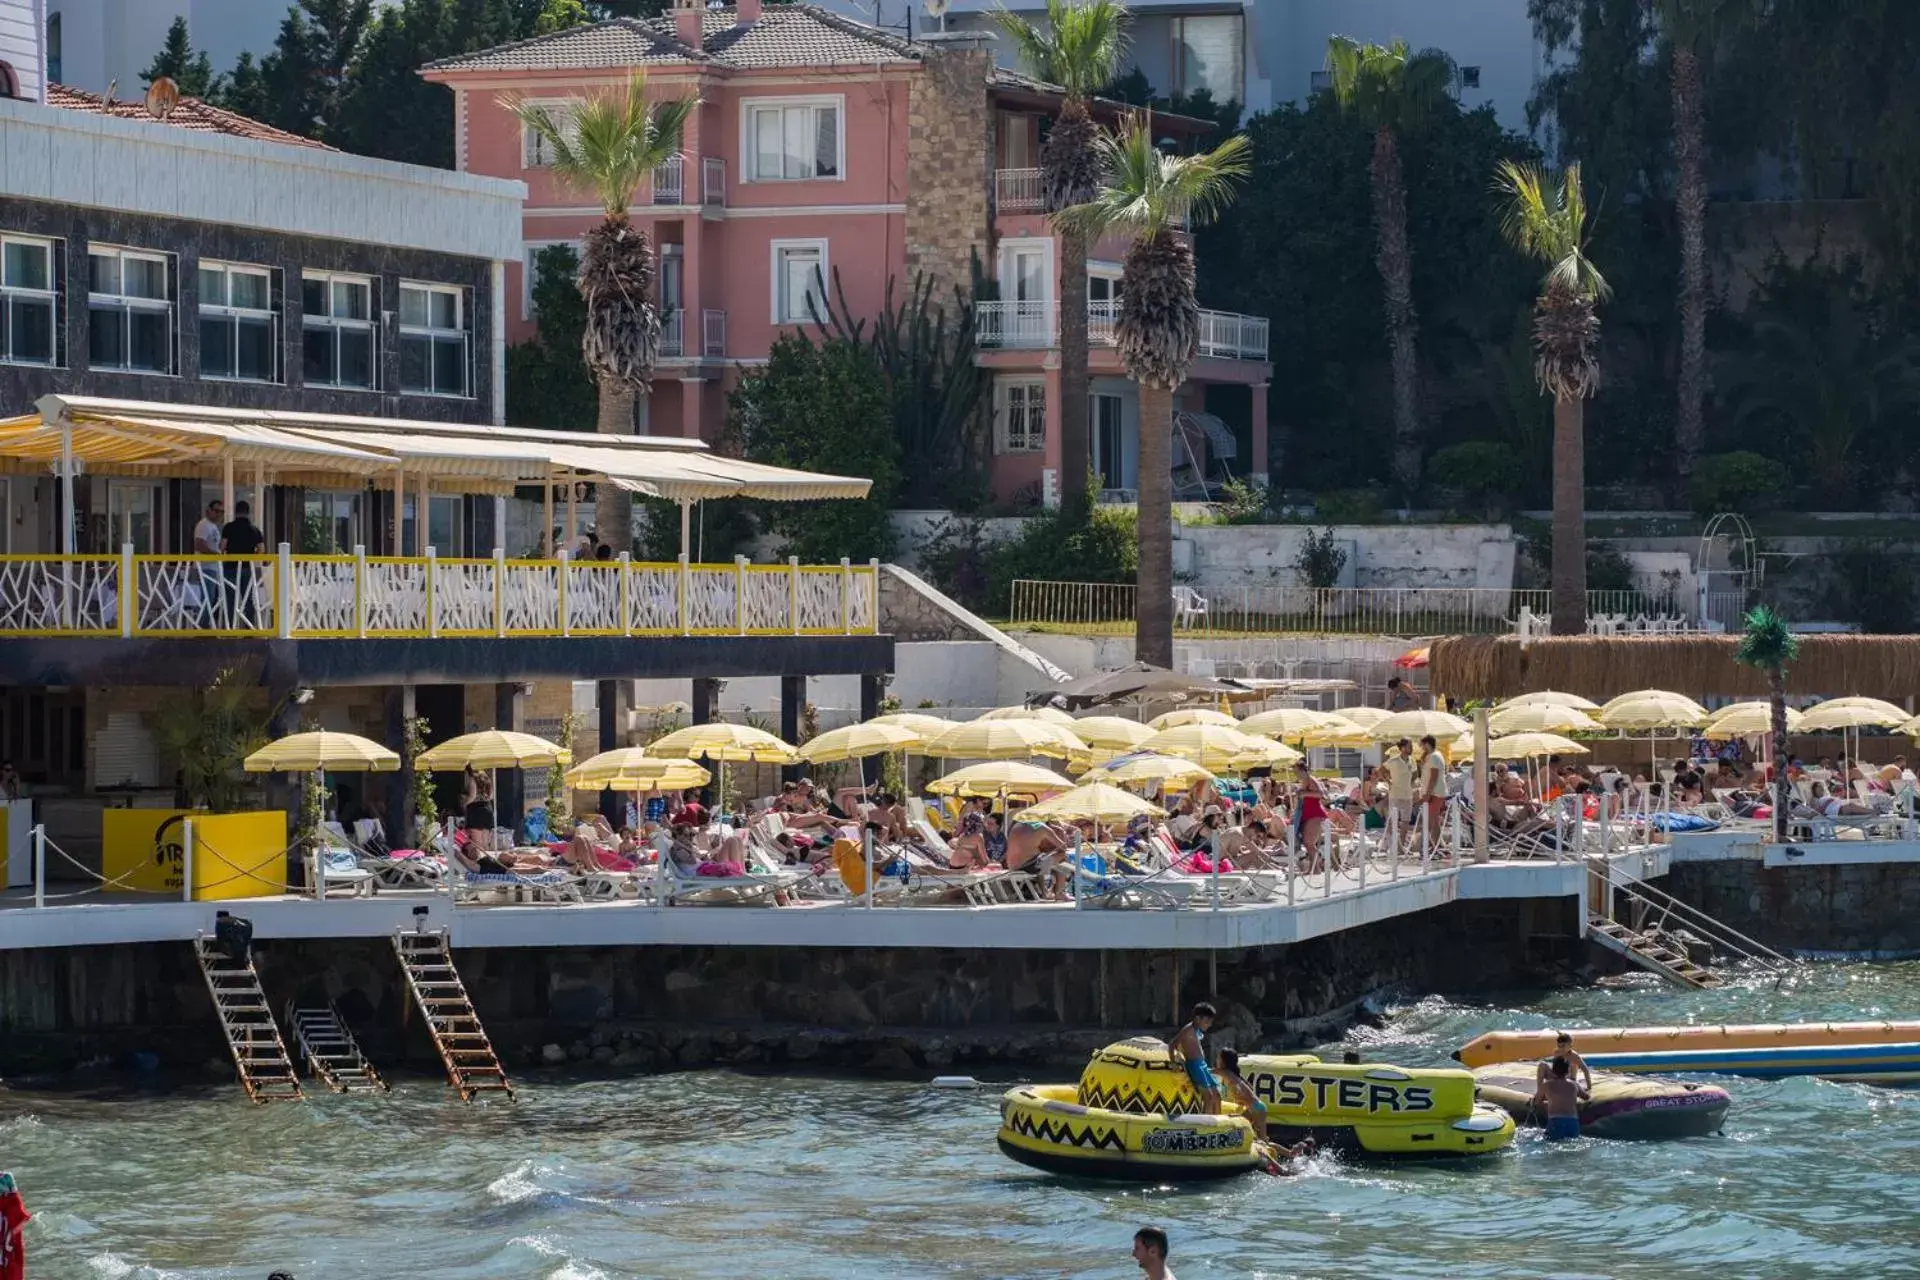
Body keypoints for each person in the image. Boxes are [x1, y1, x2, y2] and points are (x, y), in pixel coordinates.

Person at [1217, 1049, 1317, 1172]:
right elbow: (1248, 1094)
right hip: (1257, 1108)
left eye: (1218, 1058)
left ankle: (1281, 1170)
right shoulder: (1236, 1075)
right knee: (1261, 1141)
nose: (1216, 1061)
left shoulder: (1226, 1072)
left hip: (1255, 1110)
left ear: (1223, 1061)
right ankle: (1292, 1152)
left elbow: (1207, 1071)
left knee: (1261, 1143)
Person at [220, 498, 266, 627]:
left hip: (230, 566)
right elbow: (261, 549)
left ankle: (230, 626)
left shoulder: (228, 528)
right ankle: (249, 626)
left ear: (236, 512)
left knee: (230, 598)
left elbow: (222, 547)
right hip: (247, 567)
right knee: (247, 598)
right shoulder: (254, 530)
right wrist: (252, 558)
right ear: (248, 512)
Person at [1170, 1002, 1221, 1115]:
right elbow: (1172, 1044)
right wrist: (1173, 1062)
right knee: (1208, 1096)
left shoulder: (1196, 1030)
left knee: (1216, 1094)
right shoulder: (1187, 1030)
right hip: (1195, 1065)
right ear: (1198, 1018)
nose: (1209, 1025)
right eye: (1207, 1021)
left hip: (1202, 1064)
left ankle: (1219, 1121)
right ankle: (1204, 1124)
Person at [1533, 1055, 1585, 1140]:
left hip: (1555, 1122)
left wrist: (1547, 1102)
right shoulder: (1574, 1084)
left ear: (1553, 1070)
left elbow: (1537, 1102)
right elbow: (1586, 1097)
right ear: (1568, 1070)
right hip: (1572, 1122)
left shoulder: (1546, 1085)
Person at [1384, 738, 1414, 854]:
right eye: (1409, 746)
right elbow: (1381, 770)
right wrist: (1389, 781)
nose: (1411, 749)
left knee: (1406, 821)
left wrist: (1413, 783)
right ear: (1402, 748)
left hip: (1408, 794)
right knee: (1393, 820)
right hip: (1395, 794)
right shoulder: (1393, 760)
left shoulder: (1412, 760)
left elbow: (1414, 774)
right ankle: (1392, 845)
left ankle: (1400, 847)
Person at [462, 766, 496, 851]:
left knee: (477, 843)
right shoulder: (487, 778)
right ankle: (488, 860)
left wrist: (464, 803)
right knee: (485, 843)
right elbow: (491, 796)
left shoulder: (473, 779)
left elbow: (472, 796)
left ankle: (481, 862)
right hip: (487, 808)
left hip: (476, 810)